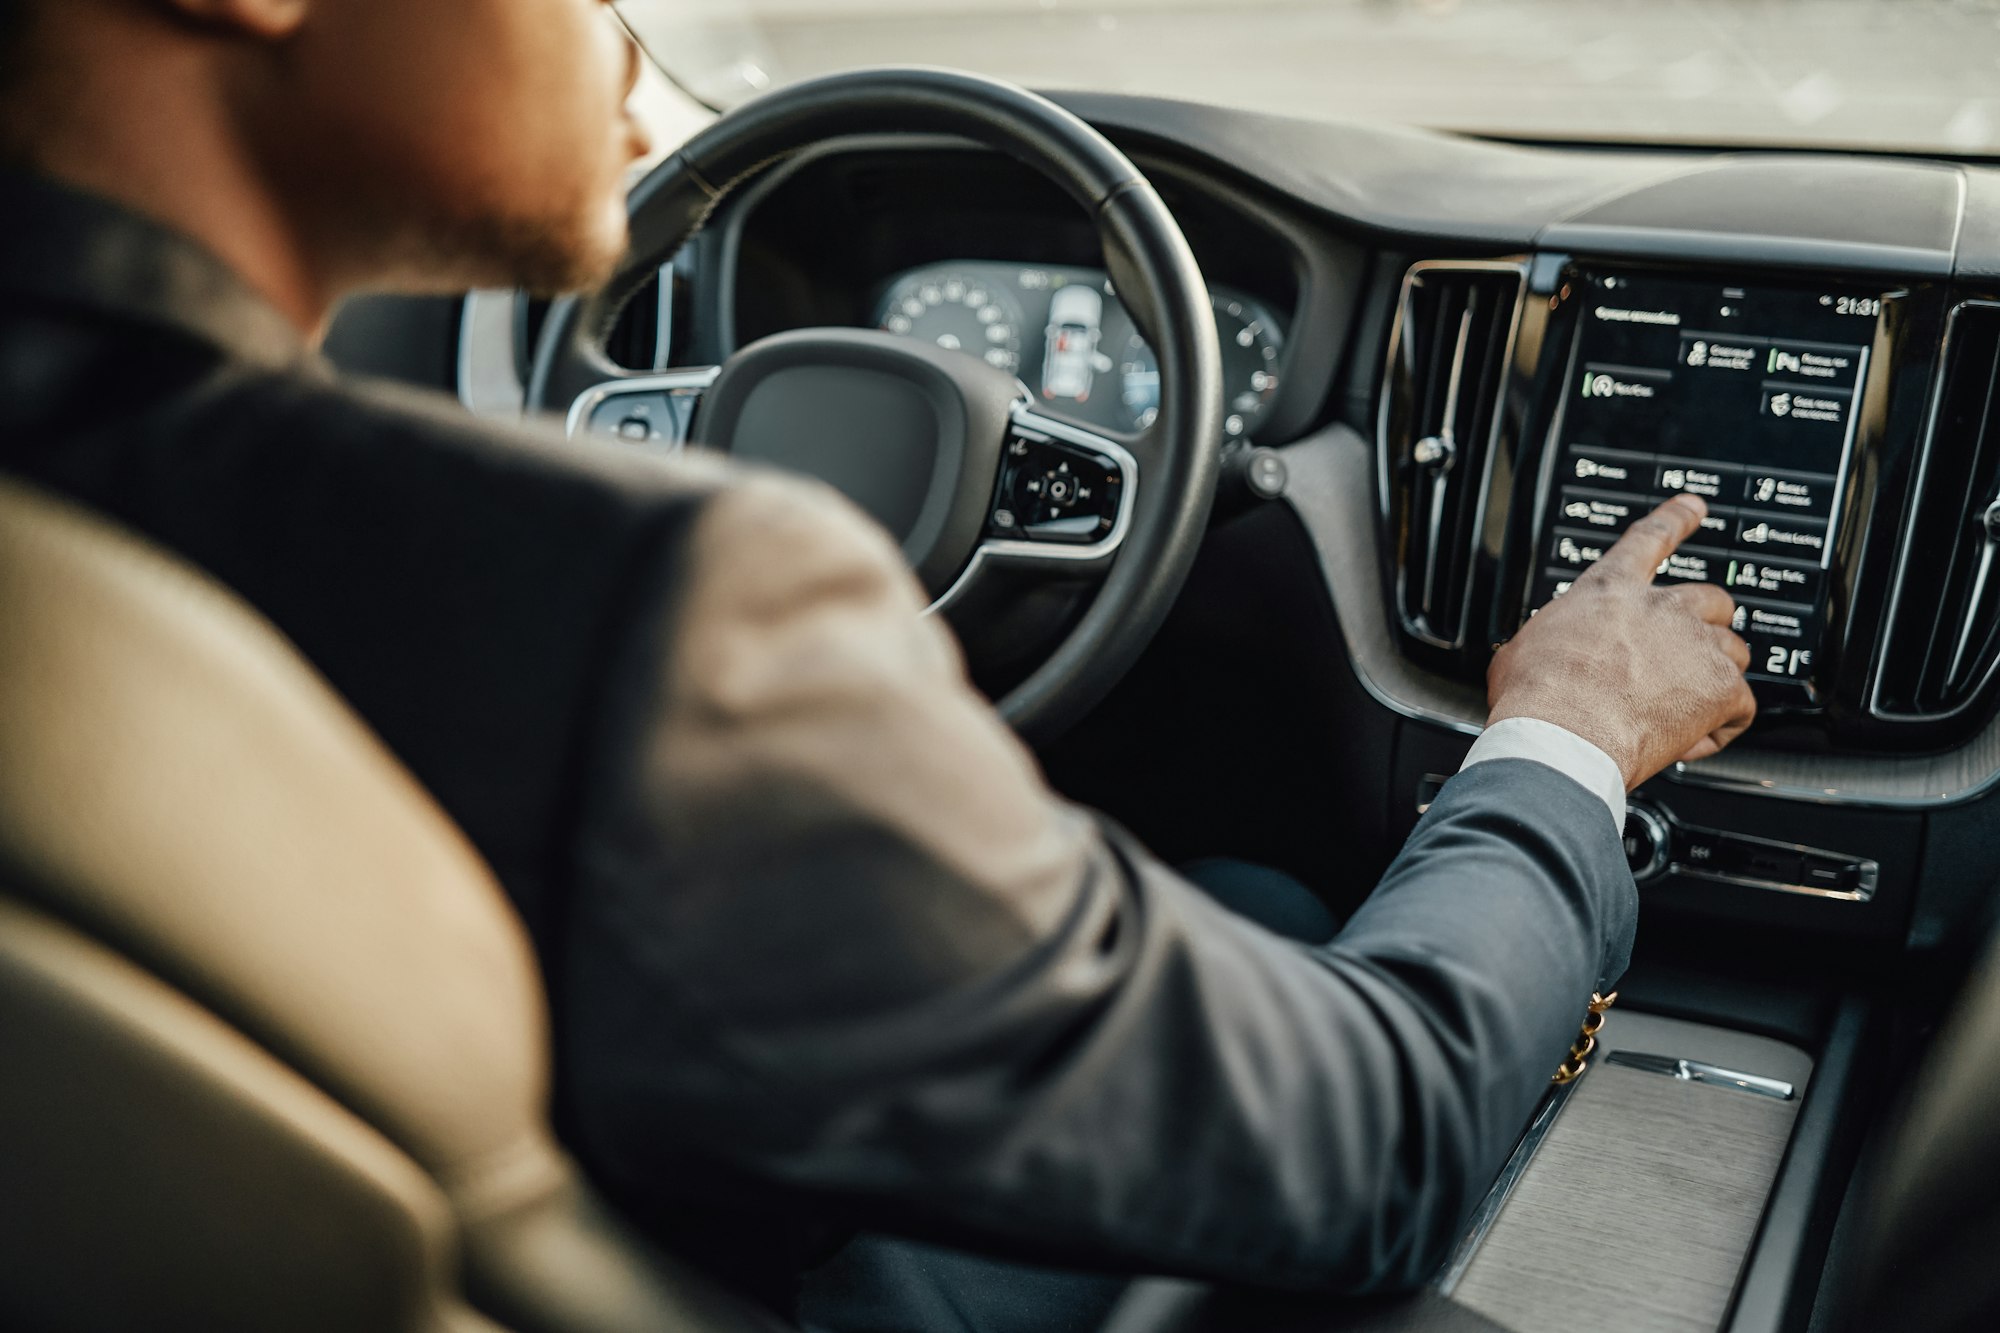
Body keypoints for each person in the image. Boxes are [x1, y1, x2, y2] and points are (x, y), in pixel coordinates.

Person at [0, 0, 1757, 1327]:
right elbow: (1381, 1138)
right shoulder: (665, 599)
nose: (621, 33)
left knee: (1239, 891)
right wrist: (1568, 735)